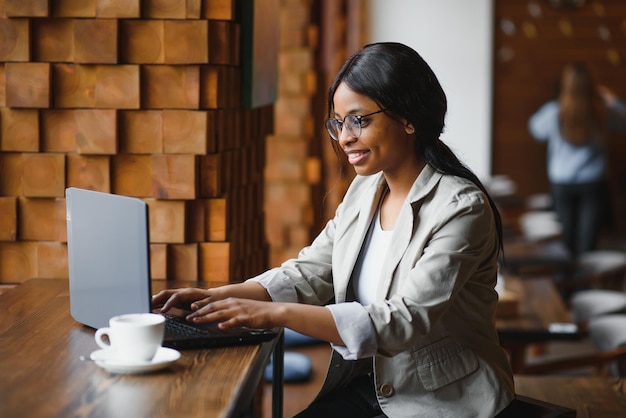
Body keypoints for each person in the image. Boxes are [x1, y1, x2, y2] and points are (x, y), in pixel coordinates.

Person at [153, 42, 515, 417]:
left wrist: (273, 315)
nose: (344, 138)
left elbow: (404, 321)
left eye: (359, 120)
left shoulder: (461, 208)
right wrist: (216, 298)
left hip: (444, 401)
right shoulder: (365, 190)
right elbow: (312, 270)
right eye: (338, 123)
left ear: (409, 118)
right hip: (372, 385)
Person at [528, 62, 626, 258]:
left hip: (562, 183)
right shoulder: (601, 111)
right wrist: (612, 100)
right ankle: (585, 284)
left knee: (565, 240)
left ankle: (566, 286)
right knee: (588, 242)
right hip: (593, 184)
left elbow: (535, 130)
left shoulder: (554, 111)